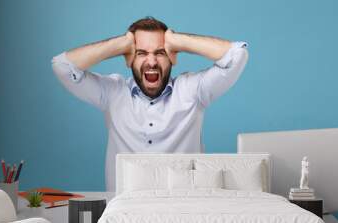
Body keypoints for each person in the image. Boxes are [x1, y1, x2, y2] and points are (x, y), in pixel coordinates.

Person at [51, 16, 249, 192]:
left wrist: (178, 40)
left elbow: (238, 55)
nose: (152, 61)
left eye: (161, 52)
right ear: (129, 58)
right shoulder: (113, 92)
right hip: (126, 216)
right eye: (141, 53)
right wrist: (122, 44)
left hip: (182, 215)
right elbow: (62, 67)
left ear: (172, 56)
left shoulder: (191, 91)